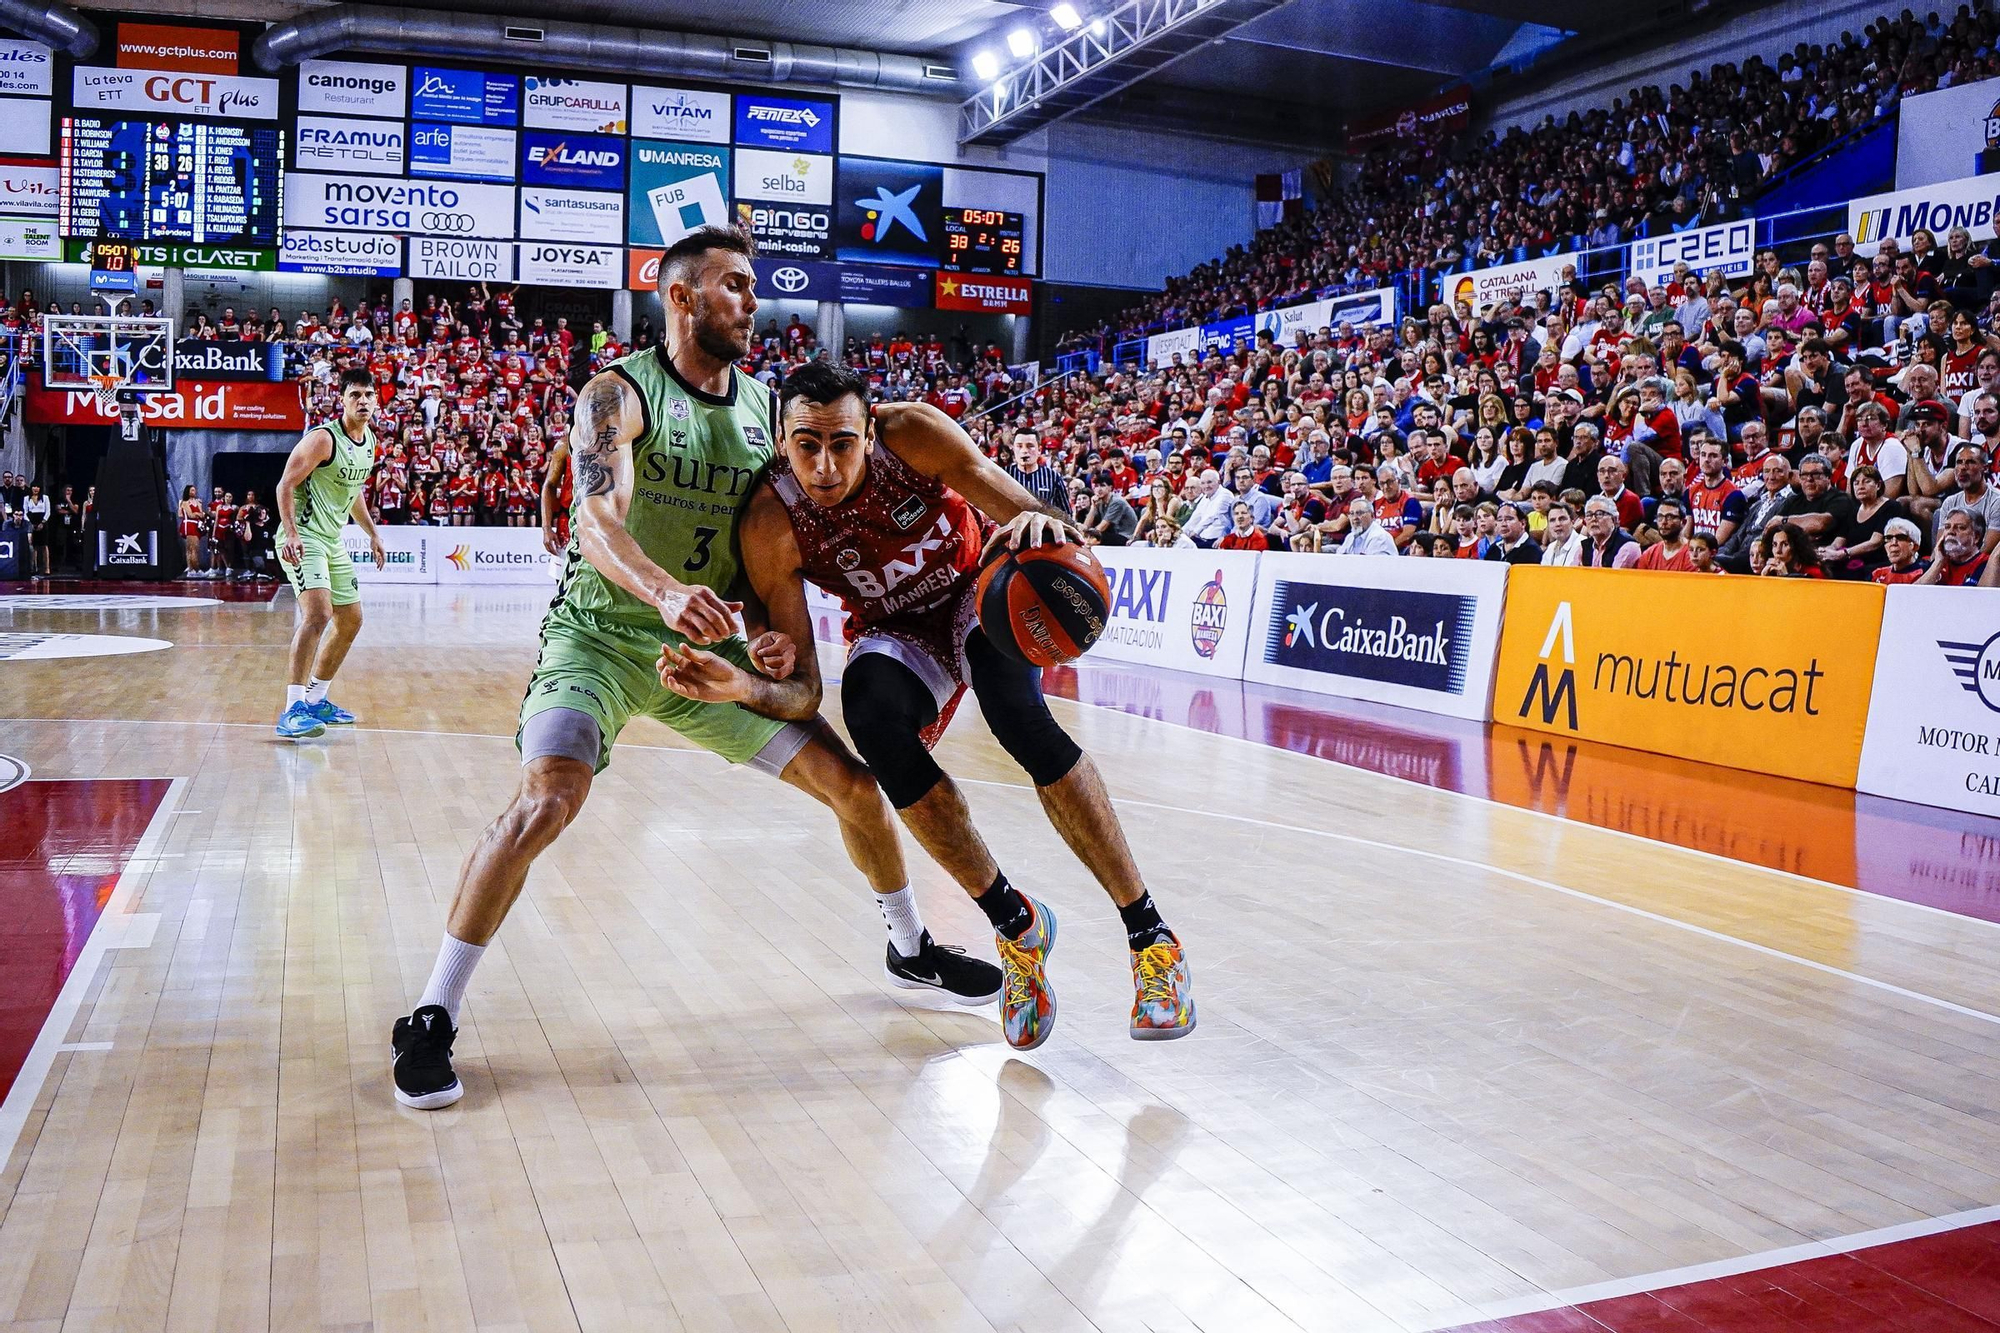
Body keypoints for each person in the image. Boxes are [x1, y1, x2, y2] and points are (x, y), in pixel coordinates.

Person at [388, 228, 1000, 1111]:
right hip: (599, 638)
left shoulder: (768, 414)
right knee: (547, 799)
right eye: (735, 286)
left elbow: (769, 551)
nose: (753, 301)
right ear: (680, 297)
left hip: (707, 660)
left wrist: (765, 638)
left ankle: (911, 945)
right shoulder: (617, 393)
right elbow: (597, 522)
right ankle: (432, 1011)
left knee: (857, 790)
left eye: (753, 288)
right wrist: (666, 591)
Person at [718, 358, 1194, 1052]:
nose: (824, 465)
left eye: (841, 443)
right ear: (781, 438)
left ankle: (1151, 937)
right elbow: (805, 693)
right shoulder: (771, 520)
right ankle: (1016, 926)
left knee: (1017, 716)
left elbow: (1044, 520)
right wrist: (761, 666)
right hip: (896, 629)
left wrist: (1039, 527)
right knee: (871, 719)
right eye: (806, 444)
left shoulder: (915, 433)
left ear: (871, 430)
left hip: (979, 591)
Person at [274, 368, 386, 740]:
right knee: (318, 614)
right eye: (355, 395)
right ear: (342, 399)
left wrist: (372, 533)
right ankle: (291, 710)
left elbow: (353, 493)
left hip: (332, 540)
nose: (364, 401)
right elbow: (285, 484)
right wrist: (290, 534)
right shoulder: (323, 439)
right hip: (304, 537)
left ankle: (317, 698)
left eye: (369, 394)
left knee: (351, 619)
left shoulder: (369, 441)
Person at [1578, 496, 1640, 567]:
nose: (1593, 519)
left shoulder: (1628, 546)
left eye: (1599, 514)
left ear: (1614, 519)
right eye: (1589, 515)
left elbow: (1613, 577)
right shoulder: (1583, 547)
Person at [1635, 497, 1695, 571]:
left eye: (1669, 517)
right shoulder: (1650, 553)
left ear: (1684, 522)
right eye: (1660, 517)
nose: (1663, 522)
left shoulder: (1692, 555)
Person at [1334, 496, 1398, 555]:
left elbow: (1375, 565)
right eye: (1352, 513)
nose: (1355, 518)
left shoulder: (1379, 537)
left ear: (1372, 516)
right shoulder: (1350, 537)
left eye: (1360, 513)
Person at [1873, 518, 1927, 584]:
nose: (1893, 543)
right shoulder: (1878, 574)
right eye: (1889, 538)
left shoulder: (1926, 574)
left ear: (1915, 547)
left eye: (1900, 537)